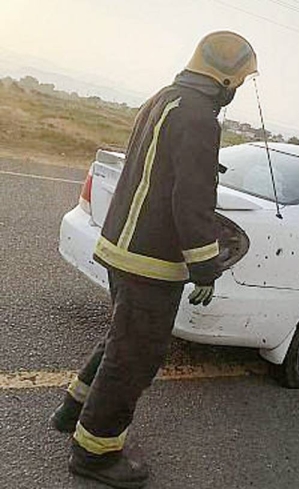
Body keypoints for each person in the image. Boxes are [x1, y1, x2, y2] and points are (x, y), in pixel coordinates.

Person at [49, 31, 258, 488]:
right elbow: (192, 202)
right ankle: (95, 452)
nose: (237, 91)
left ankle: (74, 410)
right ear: (225, 81)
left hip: (120, 247)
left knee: (121, 339)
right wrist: (205, 267)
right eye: (238, 83)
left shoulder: (164, 99)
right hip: (151, 260)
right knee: (135, 357)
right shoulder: (202, 119)